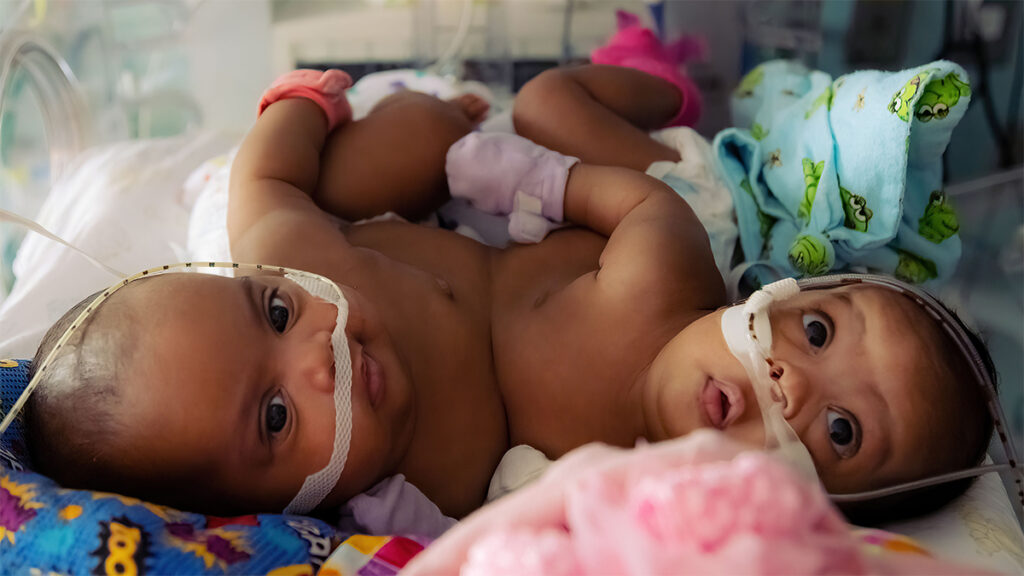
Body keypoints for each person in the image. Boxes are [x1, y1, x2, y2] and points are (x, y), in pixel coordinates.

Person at [25, 65, 994, 525]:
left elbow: (266, 181)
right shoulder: (381, 499)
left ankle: (433, 111)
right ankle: (653, 94)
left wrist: (306, 108)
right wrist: (547, 183)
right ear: (267, 506)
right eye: (276, 416)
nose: (790, 384)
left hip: (453, 229)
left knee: (401, 137)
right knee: (509, 121)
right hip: (521, 230)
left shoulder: (313, 273)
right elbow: (648, 210)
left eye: (840, 436)